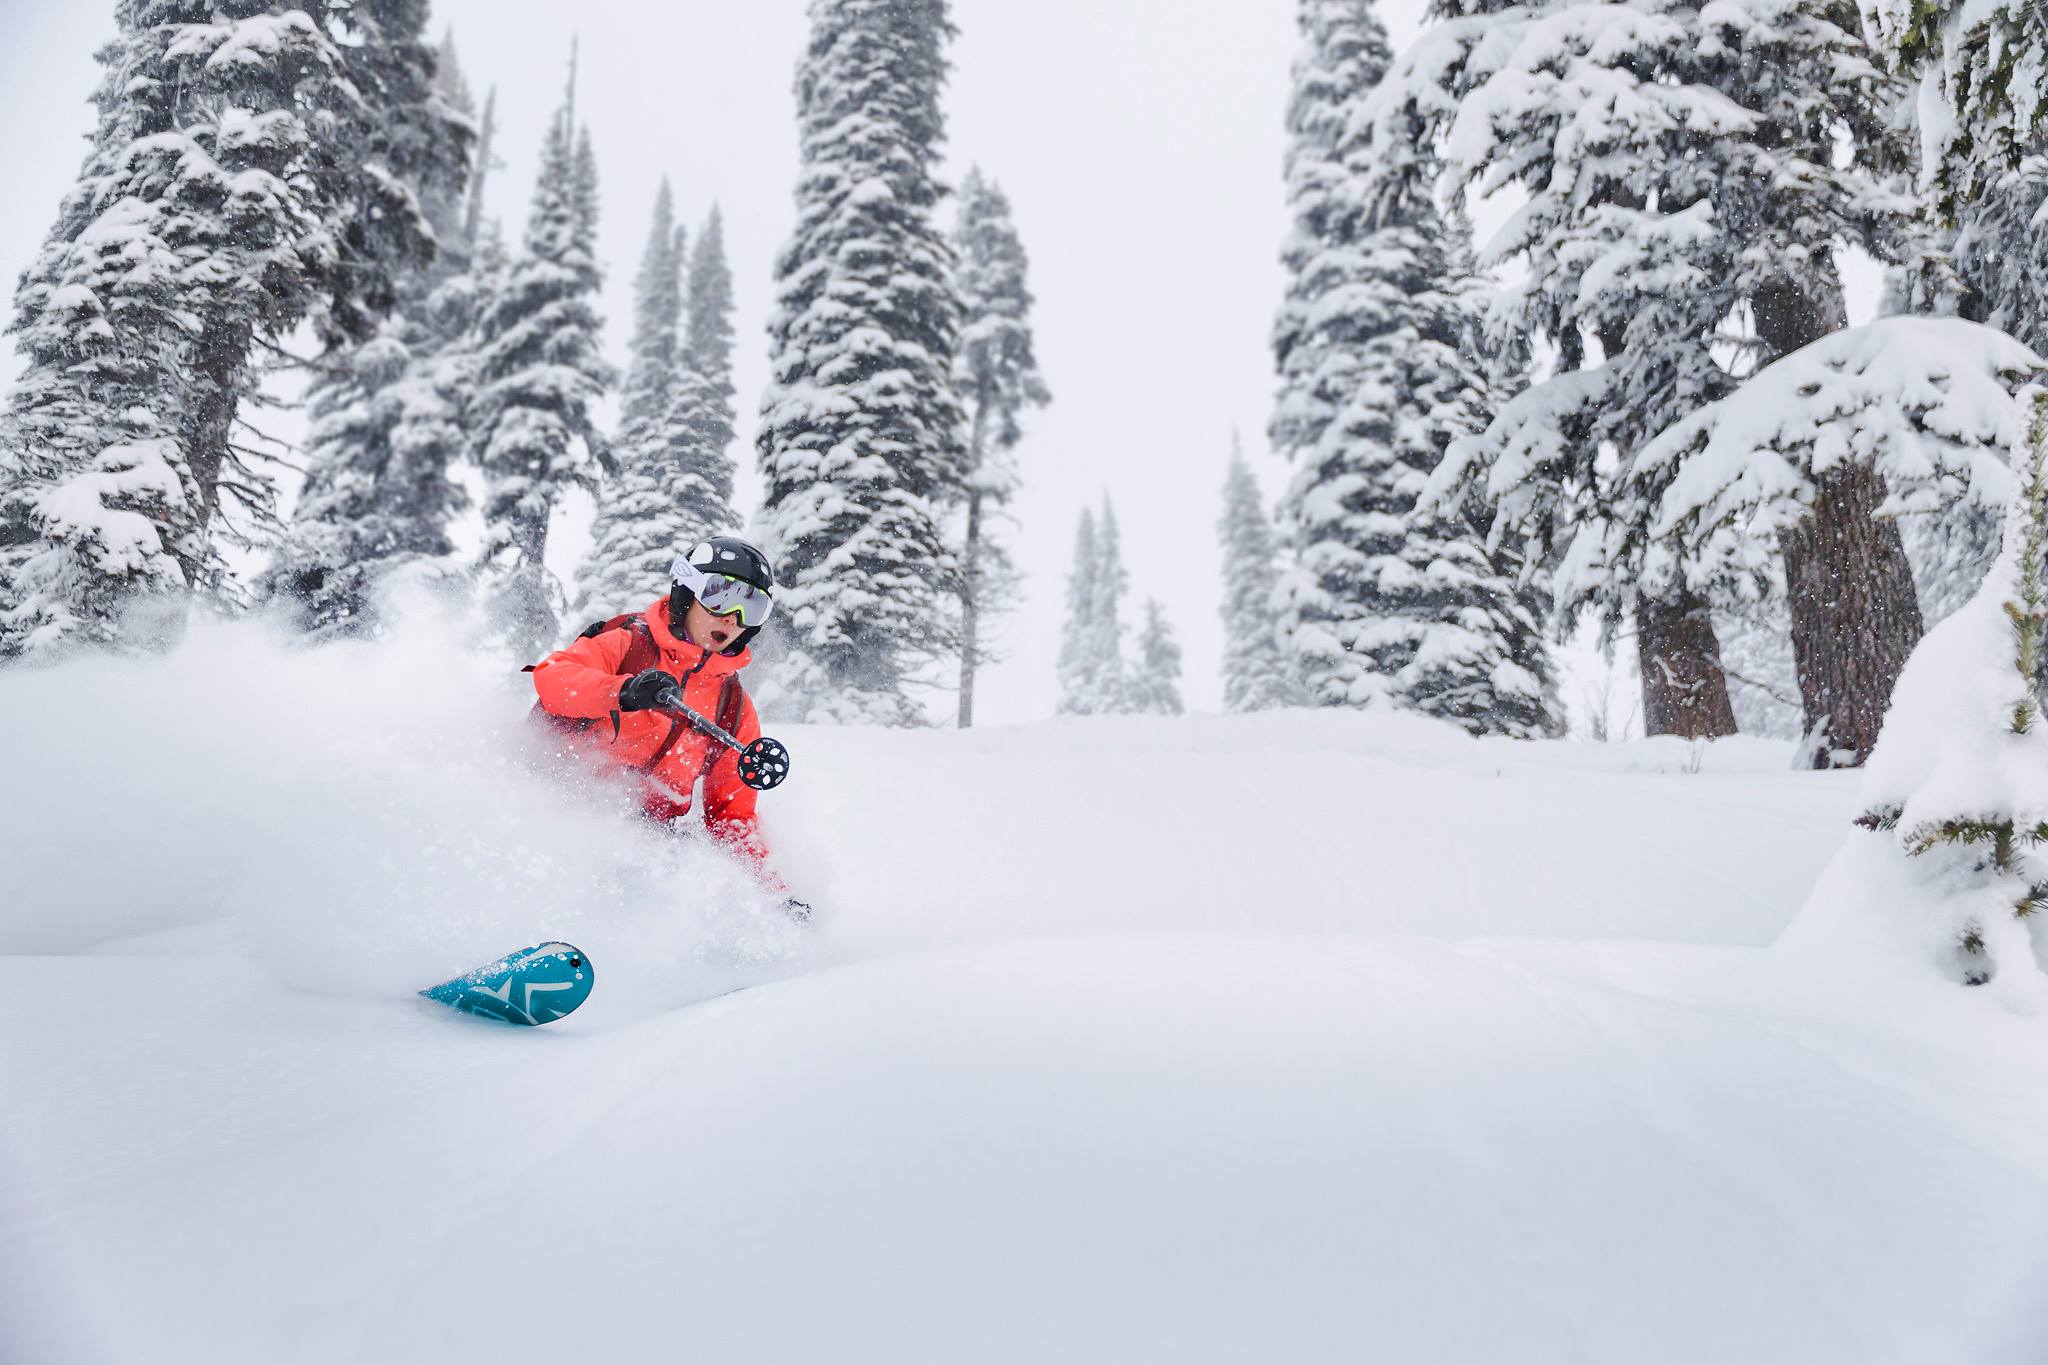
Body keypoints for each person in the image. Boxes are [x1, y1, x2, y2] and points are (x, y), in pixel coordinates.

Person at [529, 536, 808, 919]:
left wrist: (774, 896)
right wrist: (623, 691)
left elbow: (732, 818)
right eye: (721, 595)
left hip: (646, 842)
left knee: (678, 881)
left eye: (752, 605)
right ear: (686, 593)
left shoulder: (733, 708)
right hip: (554, 805)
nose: (734, 617)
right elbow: (553, 680)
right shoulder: (629, 645)